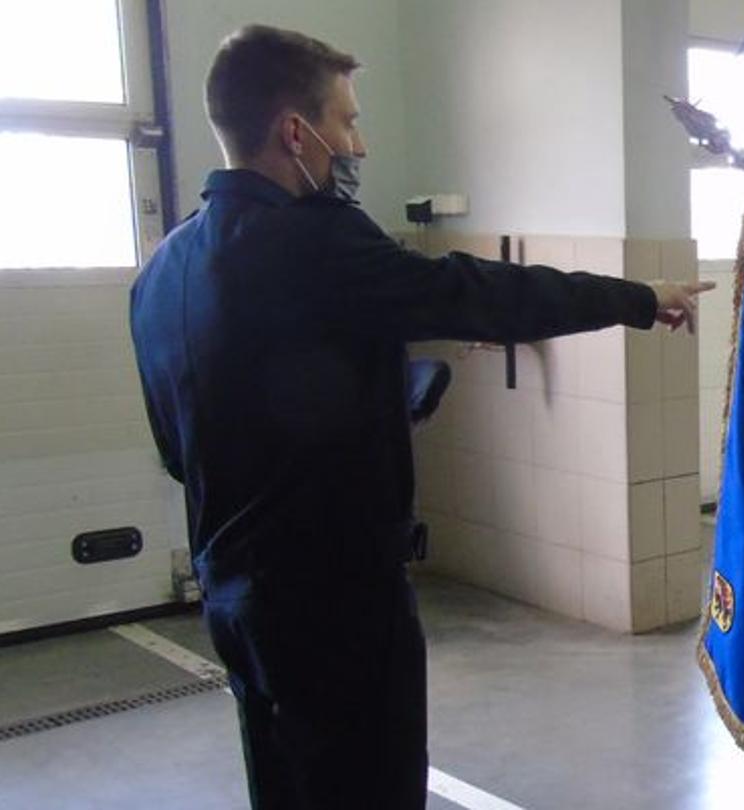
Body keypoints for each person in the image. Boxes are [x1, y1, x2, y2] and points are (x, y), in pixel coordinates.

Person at [129, 25, 711, 809]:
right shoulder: (318, 242)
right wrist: (640, 298)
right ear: (294, 133)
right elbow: (478, 291)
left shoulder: (162, 271)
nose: (357, 141)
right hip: (338, 606)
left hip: (235, 600)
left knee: (285, 786)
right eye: (347, 121)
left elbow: (180, 449)